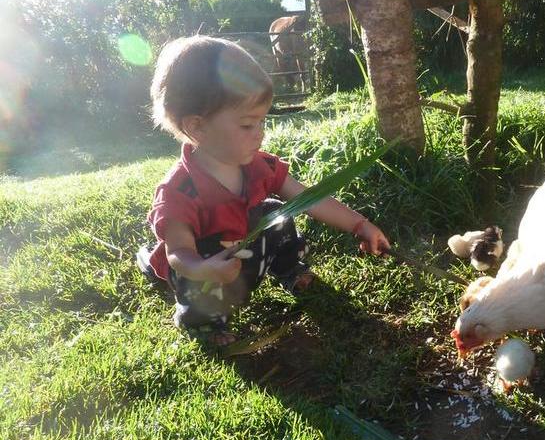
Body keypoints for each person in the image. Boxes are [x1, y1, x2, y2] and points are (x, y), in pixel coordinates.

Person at [136, 35, 390, 345]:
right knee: (196, 280)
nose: (260, 134)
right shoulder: (180, 190)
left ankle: (288, 269)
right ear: (198, 127)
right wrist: (205, 268)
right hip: (209, 269)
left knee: (276, 213)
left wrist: (359, 225)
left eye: (262, 121)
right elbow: (179, 253)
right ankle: (201, 323)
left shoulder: (258, 166)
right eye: (247, 125)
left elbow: (307, 197)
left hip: (244, 252)